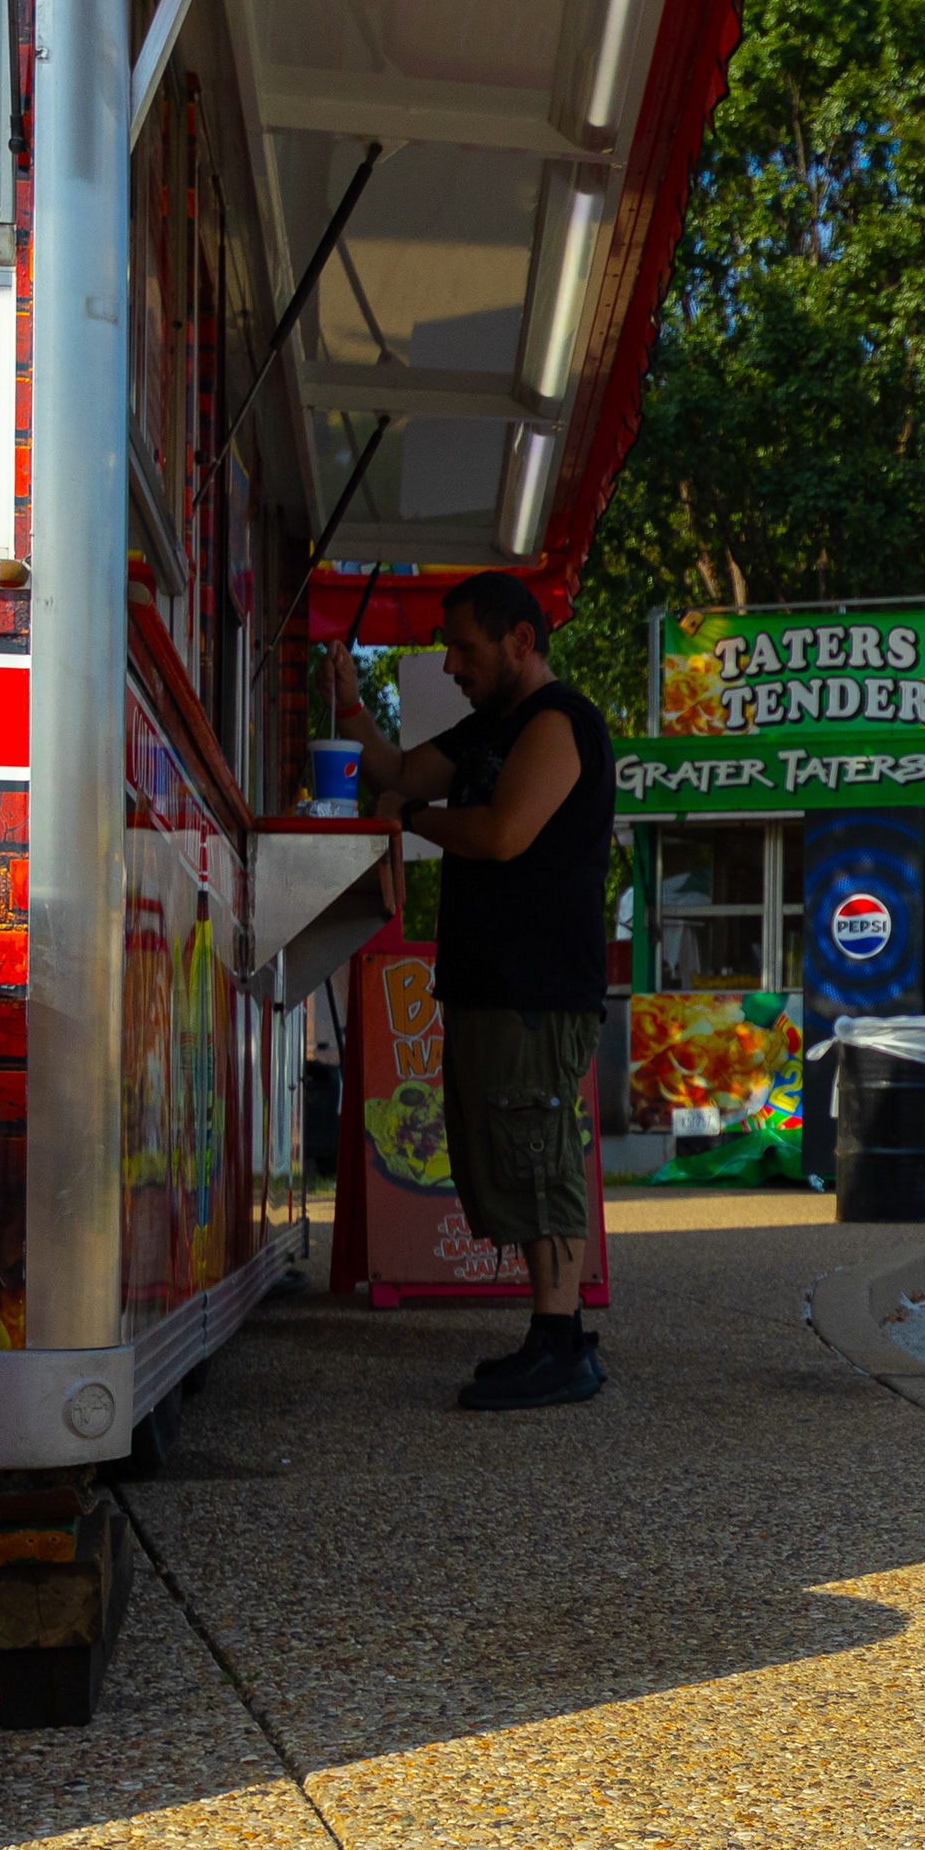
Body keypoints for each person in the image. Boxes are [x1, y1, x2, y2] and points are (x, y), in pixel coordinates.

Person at [319, 571, 616, 1407]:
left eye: (464, 646)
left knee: (537, 1150)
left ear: (521, 640)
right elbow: (396, 770)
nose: (450, 664)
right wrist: (347, 699)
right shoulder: (490, 727)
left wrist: (403, 822)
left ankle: (561, 1347)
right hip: (490, 980)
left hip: (538, 984)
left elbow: (502, 833)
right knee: (503, 1153)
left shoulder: (559, 724)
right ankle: (548, 1335)